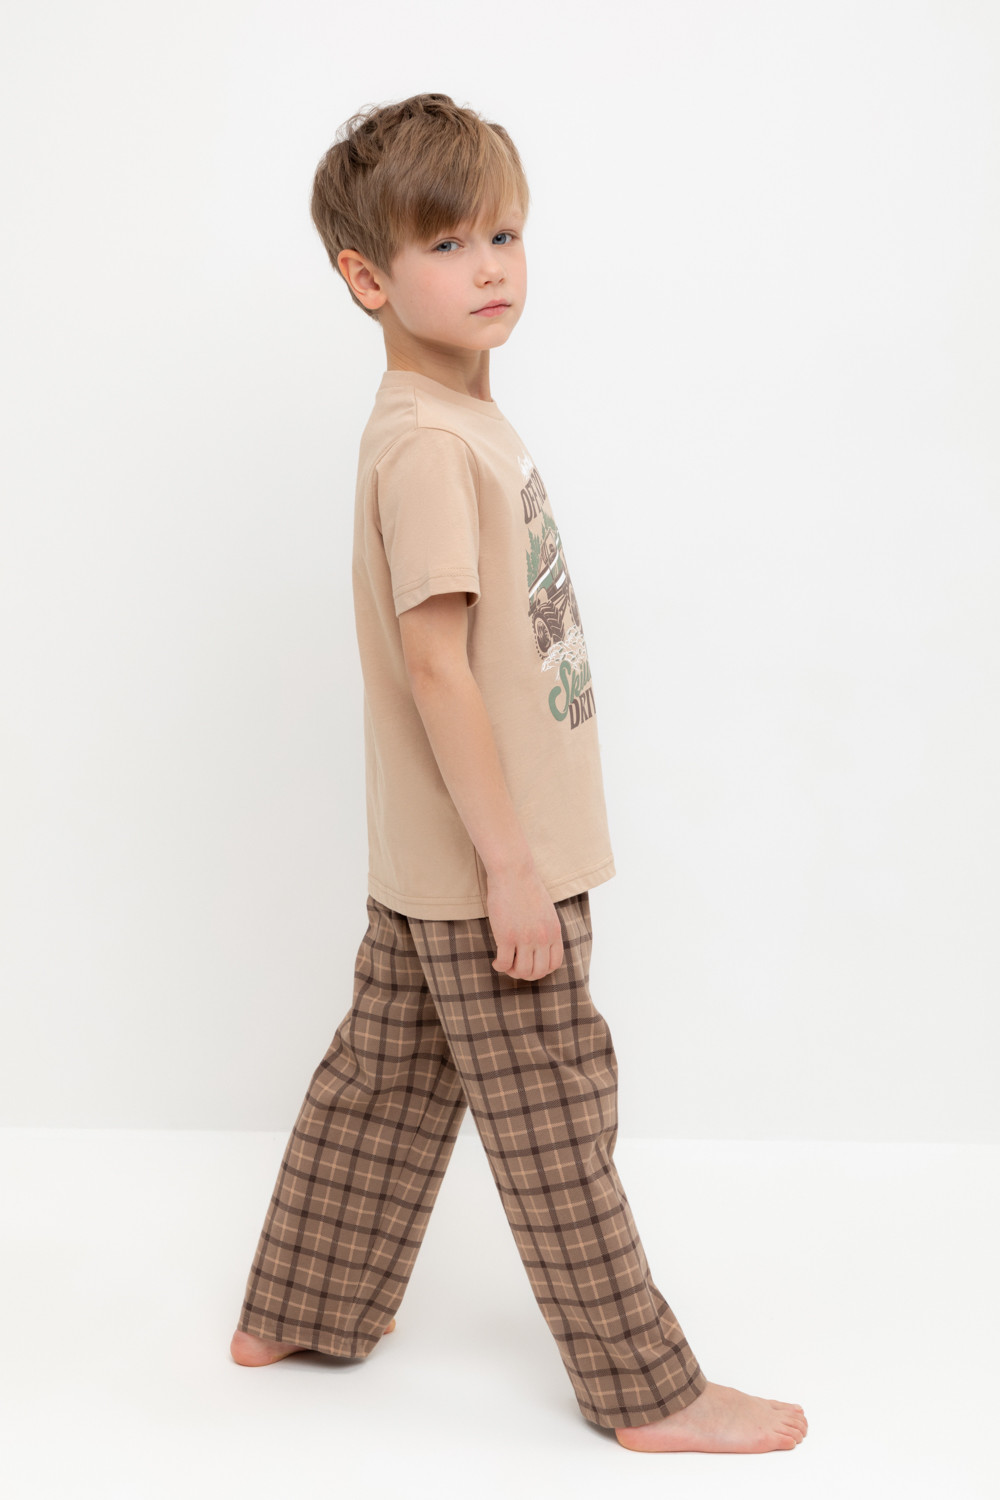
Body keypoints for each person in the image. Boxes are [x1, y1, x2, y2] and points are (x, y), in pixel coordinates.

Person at [229, 92, 807, 1455]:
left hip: (429, 863)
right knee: (556, 1115)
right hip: (494, 866)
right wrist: (513, 873)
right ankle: (644, 1389)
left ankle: (296, 1308)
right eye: (446, 245)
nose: (489, 267)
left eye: (503, 233)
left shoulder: (444, 417)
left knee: (385, 1080)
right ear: (367, 279)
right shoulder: (432, 444)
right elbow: (437, 667)